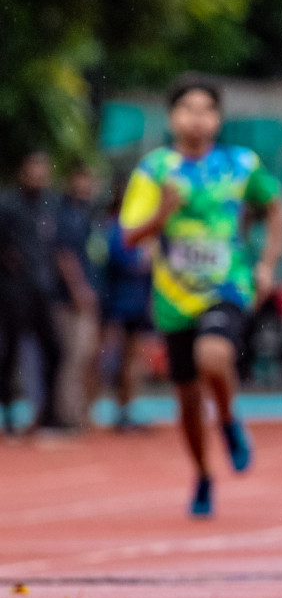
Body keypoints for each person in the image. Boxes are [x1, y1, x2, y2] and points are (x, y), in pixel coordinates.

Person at [120, 74, 282, 517]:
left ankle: (230, 420)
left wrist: (267, 264)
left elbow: (275, 207)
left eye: (206, 110)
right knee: (188, 404)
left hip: (227, 285)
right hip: (174, 297)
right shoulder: (154, 170)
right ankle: (203, 474)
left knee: (213, 357)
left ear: (217, 118)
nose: (196, 118)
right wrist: (162, 214)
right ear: (172, 117)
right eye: (187, 109)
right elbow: (129, 237)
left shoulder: (241, 165)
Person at [0, 150, 68, 432]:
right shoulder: (8, 204)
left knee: (55, 351)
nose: (39, 175)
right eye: (33, 168)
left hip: (43, 292)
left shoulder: (50, 204)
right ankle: (9, 415)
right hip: (14, 292)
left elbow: (55, 247)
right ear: (23, 171)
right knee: (9, 353)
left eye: (43, 169)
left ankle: (47, 414)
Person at [99, 184, 154, 431]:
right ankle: (111, 410)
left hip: (137, 304)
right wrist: (147, 257)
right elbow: (125, 261)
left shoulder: (140, 229)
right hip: (118, 305)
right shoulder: (116, 228)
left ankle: (127, 410)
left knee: (132, 360)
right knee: (115, 359)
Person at [54, 163, 103, 427]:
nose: (88, 185)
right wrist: (79, 291)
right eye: (83, 179)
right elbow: (65, 256)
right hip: (72, 300)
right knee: (74, 358)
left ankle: (80, 414)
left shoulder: (86, 213)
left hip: (88, 296)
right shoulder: (67, 214)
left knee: (87, 358)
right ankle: (68, 417)